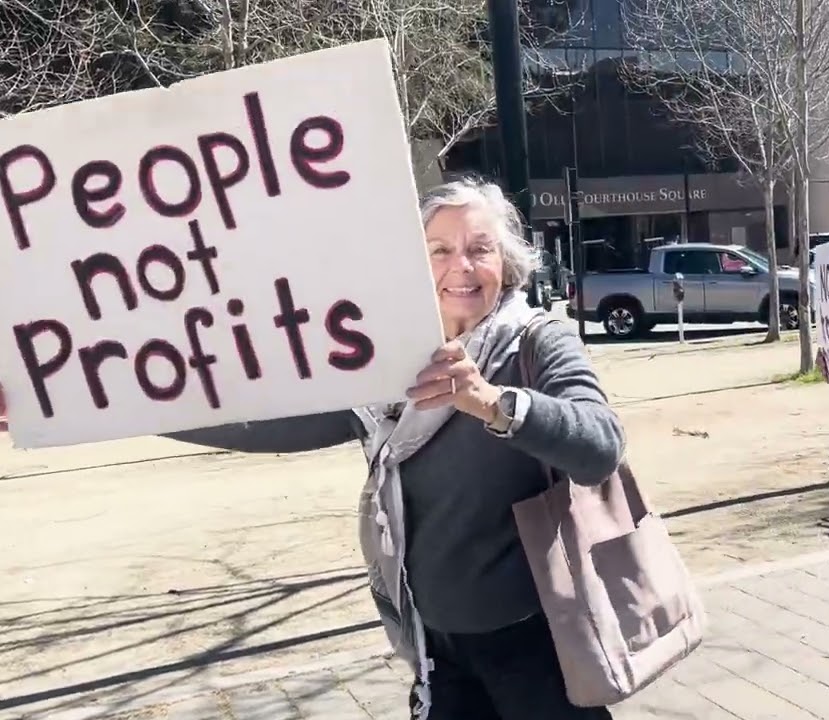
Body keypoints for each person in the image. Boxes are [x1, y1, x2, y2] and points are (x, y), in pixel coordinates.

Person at [0, 180, 624, 719]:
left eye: (480, 250)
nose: (461, 266)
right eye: (440, 250)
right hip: (434, 642)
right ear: (413, 264)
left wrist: (493, 402)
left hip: (538, 641)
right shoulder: (387, 358)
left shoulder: (538, 343)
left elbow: (600, 447)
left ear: (506, 264)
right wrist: (90, 406)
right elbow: (266, 423)